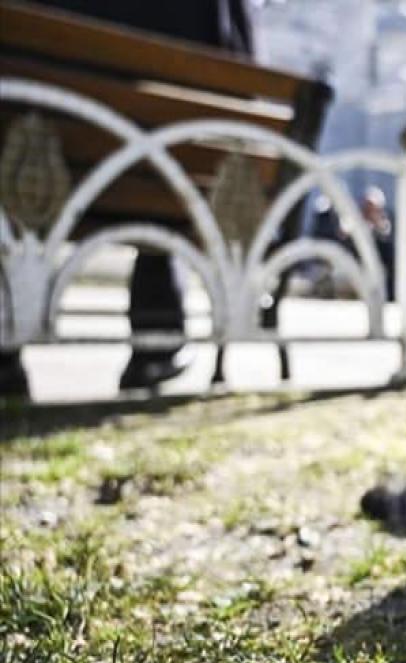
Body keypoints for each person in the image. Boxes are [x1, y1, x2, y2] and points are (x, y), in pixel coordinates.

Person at [0, 0, 257, 396]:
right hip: (157, 182)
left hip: (33, 174)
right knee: (162, 175)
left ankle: (5, 347)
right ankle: (156, 345)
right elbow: (242, 76)